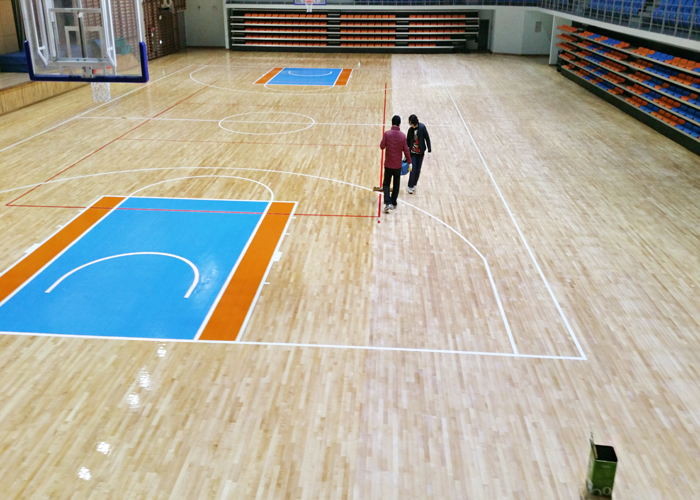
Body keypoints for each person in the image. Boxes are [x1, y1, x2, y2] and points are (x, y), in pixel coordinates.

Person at [380, 115, 411, 213]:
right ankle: (393, 202)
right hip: (397, 165)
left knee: (386, 183)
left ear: (392, 122)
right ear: (399, 124)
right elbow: (406, 150)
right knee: (396, 184)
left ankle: (387, 202)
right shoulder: (402, 136)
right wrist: (410, 162)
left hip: (388, 164)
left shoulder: (387, 134)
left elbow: (382, 146)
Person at [406, 114, 431, 194]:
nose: (410, 125)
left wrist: (429, 150)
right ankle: (410, 185)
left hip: (420, 153)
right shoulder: (410, 130)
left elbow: (427, 138)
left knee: (418, 170)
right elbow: (407, 142)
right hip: (412, 153)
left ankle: (414, 184)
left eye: (411, 123)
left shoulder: (422, 128)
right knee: (412, 169)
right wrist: (406, 153)